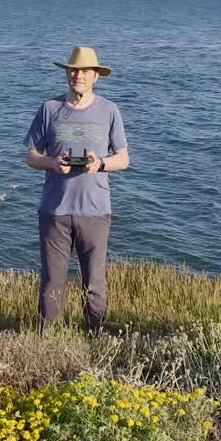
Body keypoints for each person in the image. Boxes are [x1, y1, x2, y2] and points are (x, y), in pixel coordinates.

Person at [24, 46, 129, 332]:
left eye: (84, 70)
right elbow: (31, 156)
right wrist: (52, 163)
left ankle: (95, 334)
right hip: (54, 210)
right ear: (67, 73)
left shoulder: (109, 110)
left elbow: (123, 158)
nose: (77, 75)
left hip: (95, 211)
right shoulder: (49, 108)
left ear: (96, 75)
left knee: (94, 282)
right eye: (73, 70)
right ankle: (49, 339)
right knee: (51, 281)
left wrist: (101, 164)